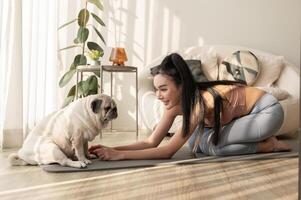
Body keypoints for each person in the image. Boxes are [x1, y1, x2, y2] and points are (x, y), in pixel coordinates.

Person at [89, 53, 290, 160]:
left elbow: (168, 151)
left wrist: (120, 156)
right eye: (156, 89)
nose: (158, 96)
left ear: (181, 86)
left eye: (163, 89)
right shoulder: (174, 106)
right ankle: (258, 137)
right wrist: (111, 148)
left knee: (213, 147)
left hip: (267, 112)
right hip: (244, 117)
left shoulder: (199, 103)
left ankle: (269, 144)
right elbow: (151, 142)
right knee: (196, 143)